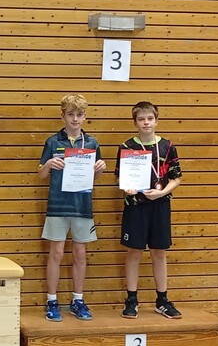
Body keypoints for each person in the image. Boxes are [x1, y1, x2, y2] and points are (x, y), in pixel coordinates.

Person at [38, 94, 106, 321]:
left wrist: (99, 169)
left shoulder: (92, 143)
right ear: (63, 115)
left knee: (80, 254)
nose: (75, 119)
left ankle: (78, 300)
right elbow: (41, 174)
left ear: (85, 116)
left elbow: (94, 177)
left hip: (82, 206)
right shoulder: (52, 142)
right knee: (56, 253)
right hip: (58, 205)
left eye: (79, 115)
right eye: (70, 114)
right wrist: (48, 164)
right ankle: (51, 300)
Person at [115, 101, 182, 319]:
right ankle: (131, 299)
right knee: (134, 251)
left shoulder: (167, 146)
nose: (146, 122)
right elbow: (121, 177)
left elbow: (176, 178)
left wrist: (162, 193)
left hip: (160, 205)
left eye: (150, 118)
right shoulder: (126, 147)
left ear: (156, 121)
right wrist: (127, 187)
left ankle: (162, 300)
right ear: (135, 122)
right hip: (135, 206)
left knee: (159, 252)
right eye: (141, 119)